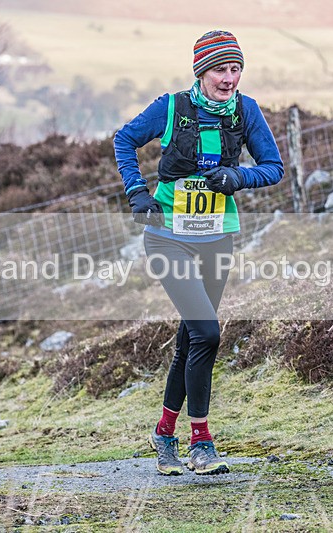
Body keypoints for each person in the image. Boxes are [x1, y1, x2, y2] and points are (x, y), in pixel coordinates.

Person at [113, 30, 284, 475]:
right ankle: (201, 441)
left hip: (216, 238)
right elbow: (123, 140)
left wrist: (239, 178)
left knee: (191, 338)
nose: (230, 78)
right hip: (168, 237)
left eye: (236, 68)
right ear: (201, 71)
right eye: (220, 70)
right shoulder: (172, 108)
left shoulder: (245, 111)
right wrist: (137, 193)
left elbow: (274, 167)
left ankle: (163, 433)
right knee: (208, 334)